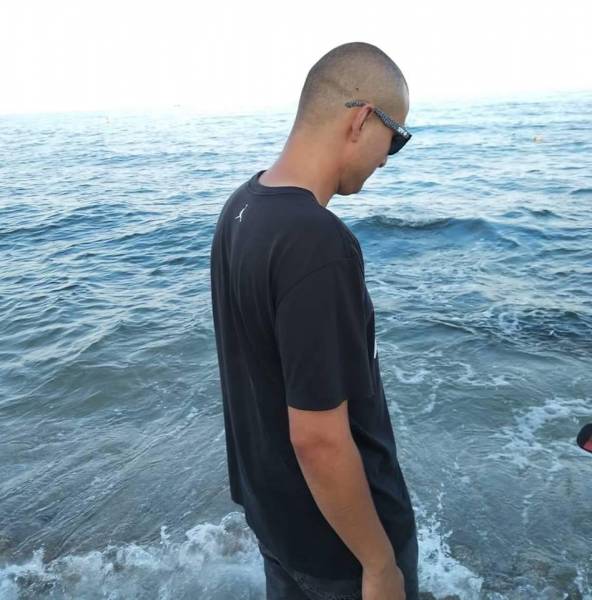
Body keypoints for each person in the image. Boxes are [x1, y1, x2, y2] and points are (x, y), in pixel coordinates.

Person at [209, 41, 419, 599]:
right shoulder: (317, 242)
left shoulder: (241, 206)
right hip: (340, 551)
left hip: (278, 524)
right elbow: (319, 438)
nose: (386, 159)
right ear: (362, 120)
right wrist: (379, 564)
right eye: (396, 138)